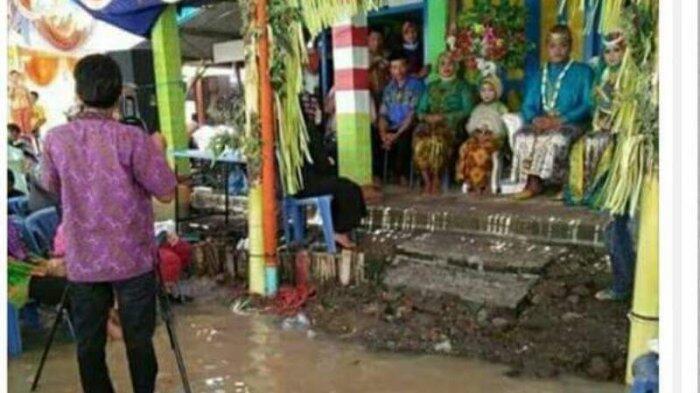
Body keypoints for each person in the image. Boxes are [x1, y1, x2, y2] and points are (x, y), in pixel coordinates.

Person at [41, 54, 177, 393]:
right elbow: (166, 192)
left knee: (89, 345)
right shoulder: (133, 139)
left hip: (84, 260)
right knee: (138, 342)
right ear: (119, 95)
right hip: (132, 258)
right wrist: (158, 150)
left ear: (79, 93)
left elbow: (51, 187)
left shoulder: (56, 139)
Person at [511, 24, 594, 200]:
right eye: (553, 46)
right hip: (543, 121)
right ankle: (533, 183)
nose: (558, 50)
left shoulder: (583, 72)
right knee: (522, 136)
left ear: (571, 47)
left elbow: (588, 104)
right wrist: (535, 119)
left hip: (573, 122)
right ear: (547, 48)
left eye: (563, 45)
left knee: (558, 138)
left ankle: (564, 184)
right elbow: (528, 104)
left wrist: (561, 120)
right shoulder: (540, 73)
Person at [564, 31, 625, 206]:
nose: (612, 56)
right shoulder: (602, 75)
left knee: (604, 145)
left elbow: (628, 107)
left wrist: (615, 122)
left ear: (624, 52)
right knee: (581, 146)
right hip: (601, 126)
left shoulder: (628, 76)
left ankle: (601, 190)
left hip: (620, 129)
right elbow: (595, 105)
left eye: (616, 50)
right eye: (607, 51)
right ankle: (582, 191)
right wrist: (600, 122)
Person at [413, 51, 473, 195]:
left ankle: (437, 178)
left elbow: (468, 109)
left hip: (451, 126)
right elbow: (420, 109)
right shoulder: (431, 87)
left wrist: (445, 117)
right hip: (428, 125)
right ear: (438, 67)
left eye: (450, 63)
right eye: (443, 64)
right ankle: (427, 180)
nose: (447, 67)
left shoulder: (463, 87)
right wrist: (426, 117)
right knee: (420, 141)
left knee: (437, 142)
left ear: (456, 67)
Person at [456, 74, 509, 195]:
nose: (486, 94)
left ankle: (482, 184)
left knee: (481, 152)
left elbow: (505, 129)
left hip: (494, 138)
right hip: (477, 137)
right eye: (483, 90)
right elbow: (470, 127)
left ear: (497, 91)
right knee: (466, 148)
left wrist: (490, 135)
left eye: (490, 90)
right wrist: (477, 134)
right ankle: (469, 181)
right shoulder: (477, 108)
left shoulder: (501, 108)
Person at [378, 52, 425, 186]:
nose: (397, 71)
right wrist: (383, 134)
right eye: (394, 67)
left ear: (407, 66)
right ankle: (381, 176)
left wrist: (396, 135)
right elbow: (383, 113)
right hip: (392, 125)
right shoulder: (389, 88)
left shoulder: (416, 85)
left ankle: (402, 175)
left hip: (409, 125)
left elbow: (412, 114)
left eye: (401, 67)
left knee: (404, 139)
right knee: (374, 137)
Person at [9, 70, 33, 136]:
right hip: (16, 109)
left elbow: (29, 97)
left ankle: (28, 139)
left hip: (26, 107)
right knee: (18, 125)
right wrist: (12, 87)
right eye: (13, 76)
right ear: (10, 77)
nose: (15, 78)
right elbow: (10, 97)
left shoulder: (24, 86)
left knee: (27, 124)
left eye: (16, 76)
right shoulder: (10, 86)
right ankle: (21, 139)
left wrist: (31, 107)